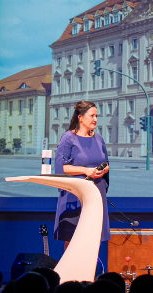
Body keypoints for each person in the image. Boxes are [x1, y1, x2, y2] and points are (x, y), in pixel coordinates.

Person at [54, 100, 111, 246]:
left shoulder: (99, 138)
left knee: (94, 237)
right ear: (80, 117)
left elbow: (106, 164)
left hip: (96, 193)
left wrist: (103, 169)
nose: (95, 119)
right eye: (92, 116)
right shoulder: (68, 138)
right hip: (75, 195)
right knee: (74, 238)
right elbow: (62, 168)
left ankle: (92, 263)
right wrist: (86, 171)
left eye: (96, 116)